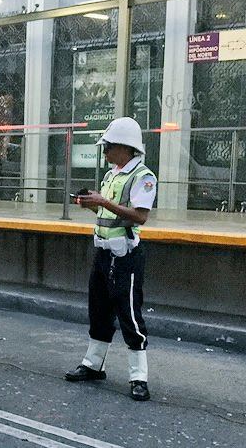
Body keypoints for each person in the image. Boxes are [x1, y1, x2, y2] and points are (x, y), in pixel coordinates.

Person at [64, 116, 157, 402]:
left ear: (126, 148)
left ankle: (138, 377)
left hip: (125, 255)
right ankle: (93, 365)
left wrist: (103, 202)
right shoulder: (111, 175)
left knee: (129, 314)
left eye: (109, 146)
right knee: (99, 310)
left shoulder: (143, 176)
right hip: (104, 252)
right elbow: (109, 214)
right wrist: (91, 204)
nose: (104, 152)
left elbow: (140, 215)